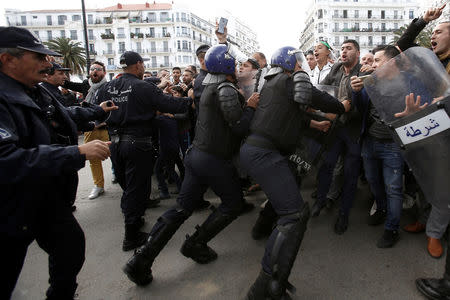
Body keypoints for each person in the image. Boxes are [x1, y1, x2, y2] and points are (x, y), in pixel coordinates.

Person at [122, 44, 259, 286]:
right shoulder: (225, 88)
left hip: (197, 155)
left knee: (182, 209)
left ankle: (141, 259)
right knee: (233, 204)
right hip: (213, 159)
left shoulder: (206, 84)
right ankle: (195, 244)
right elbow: (238, 127)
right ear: (226, 65)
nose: (238, 67)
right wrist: (249, 108)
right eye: (235, 63)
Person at [0, 26, 115, 300]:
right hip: (11, 205)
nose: (47, 63)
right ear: (7, 59)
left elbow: (64, 114)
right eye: (38, 57)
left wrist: (98, 110)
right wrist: (76, 153)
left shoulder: (37, 90)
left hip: (42, 196)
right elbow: (6, 160)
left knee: (70, 247)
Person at [240, 46, 350, 299]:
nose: (304, 66)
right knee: (294, 214)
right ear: (294, 63)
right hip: (264, 153)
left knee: (291, 209)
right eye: (301, 62)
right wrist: (342, 106)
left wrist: (313, 122)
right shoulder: (293, 78)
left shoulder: (269, 82)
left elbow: (290, 114)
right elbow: (317, 98)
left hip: (258, 150)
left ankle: (275, 280)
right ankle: (266, 284)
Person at [95, 51, 193, 252]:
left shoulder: (107, 87)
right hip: (137, 144)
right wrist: (191, 99)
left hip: (115, 144)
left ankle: (135, 220)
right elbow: (169, 104)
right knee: (136, 188)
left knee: (127, 185)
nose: (144, 69)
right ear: (138, 65)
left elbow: (97, 110)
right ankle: (131, 235)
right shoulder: (142, 86)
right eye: (143, 65)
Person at [350, 45, 406, 248]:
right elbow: (360, 106)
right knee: (373, 182)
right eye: (372, 61)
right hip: (370, 143)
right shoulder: (371, 82)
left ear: (392, 62)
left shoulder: (408, 83)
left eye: (377, 60)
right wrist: (356, 91)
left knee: (394, 188)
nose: (372, 64)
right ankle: (381, 209)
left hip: (393, 145)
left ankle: (392, 228)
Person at [312, 39, 363, 235]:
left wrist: (343, 106)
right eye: (342, 49)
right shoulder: (336, 69)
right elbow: (322, 90)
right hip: (335, 128)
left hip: (353, 131)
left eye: (348, 49)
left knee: (350, 175)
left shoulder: (363, 71)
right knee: (327, 165)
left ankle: (344, 214)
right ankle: (319, 202)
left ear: (357, 53)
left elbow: (358, 103)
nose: (344, 52)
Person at [65, 61, 110, 199]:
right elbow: (66, 83)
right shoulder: (86, 86)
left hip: (108, 127)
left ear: (104, 72)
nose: (94, 71)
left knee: (115, 155)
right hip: (90, 127)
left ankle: (119, 177)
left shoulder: (109, 87)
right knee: (93, 158)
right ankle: (98, 185)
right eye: (92, 69)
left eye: (98, 69)